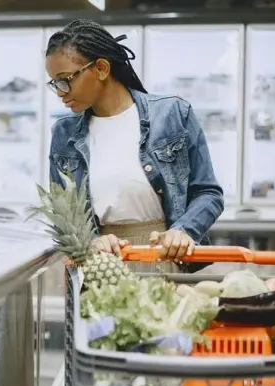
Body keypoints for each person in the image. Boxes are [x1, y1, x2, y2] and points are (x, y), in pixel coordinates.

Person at [45, 19, 224, 273]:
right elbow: (61, 214)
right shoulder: (63, 133)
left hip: (164, 260)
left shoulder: (172, 114)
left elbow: (209, 193)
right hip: (99, 267)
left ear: (102, 68)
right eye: (54, 83)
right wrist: (91, 240)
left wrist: (183, 230)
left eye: (65, 80)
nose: (60, 92)